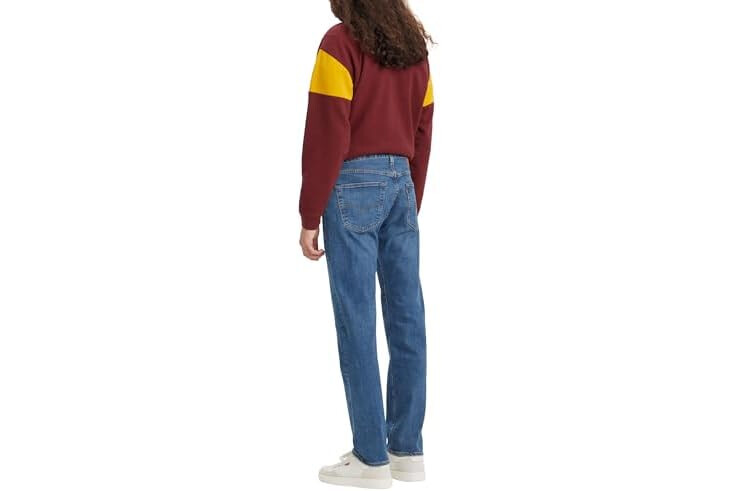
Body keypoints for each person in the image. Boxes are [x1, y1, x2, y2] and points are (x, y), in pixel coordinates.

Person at [298, 0, 434, 488]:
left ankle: (370, 457)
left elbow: (327, 131)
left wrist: (310, 212)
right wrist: (410, 198)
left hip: (352, 184)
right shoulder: (413, 49)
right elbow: (424, 129)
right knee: (407, 318)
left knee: (356, 319)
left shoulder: (339, 44)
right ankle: (406, 450)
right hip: (402, 184)